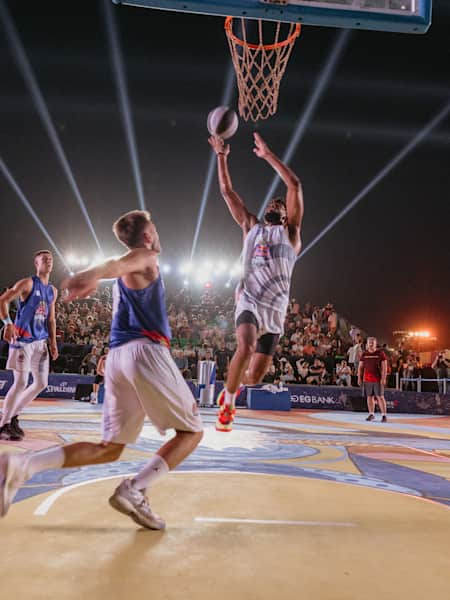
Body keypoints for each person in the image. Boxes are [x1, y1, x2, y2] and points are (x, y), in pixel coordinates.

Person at [0, 210, 203, 529]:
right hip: (145, 352)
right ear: (148, 236)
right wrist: (89, 274)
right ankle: (134, 489)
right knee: (192, 432)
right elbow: (116, 264)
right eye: (155, 229)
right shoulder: (146, 256)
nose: (157, 235)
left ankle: (22, 466)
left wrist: (91, 275)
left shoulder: (134, 268)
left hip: (119, 358)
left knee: (109, 449)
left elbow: (116, 265)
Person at [209, 132, 303, 431]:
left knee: (254, 378)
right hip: (249, 300)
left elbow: (294, 185)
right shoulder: (251, 226)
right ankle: (228, 401)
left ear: (287, 216)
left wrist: (268, 155)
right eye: (272, 203)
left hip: (275, 313)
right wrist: (222, 156)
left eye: (281, 204)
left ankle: (234, 384)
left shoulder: (290, 236)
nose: (275, 203)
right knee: (245, 347)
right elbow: (227, 192)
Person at [0, 251, 58, 441]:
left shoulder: (52, 291)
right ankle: (3, 425)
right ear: (36, 263)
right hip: (22, 340)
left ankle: (13, 416)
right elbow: (3, 300)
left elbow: (51, 318)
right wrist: (8, 323)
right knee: (21, 382)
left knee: (42, 383)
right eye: (44, 259)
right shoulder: (28, 283)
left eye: (50, 259)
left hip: (40, 342)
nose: (48, 261)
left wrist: (53, 342)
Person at [358, 337, 388, 422]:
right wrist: (359, 378)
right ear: (367, 344)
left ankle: (384, 415)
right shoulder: (364, 354)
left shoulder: (380, 353)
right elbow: (360, 367)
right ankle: (371, 414)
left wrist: (383, 378)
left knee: (380, 397)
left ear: (375, 344)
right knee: (369, 397)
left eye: (372, 342)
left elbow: (384, 367)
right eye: (369, 342)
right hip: (367, 379)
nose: (371, 344)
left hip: (378, 379)